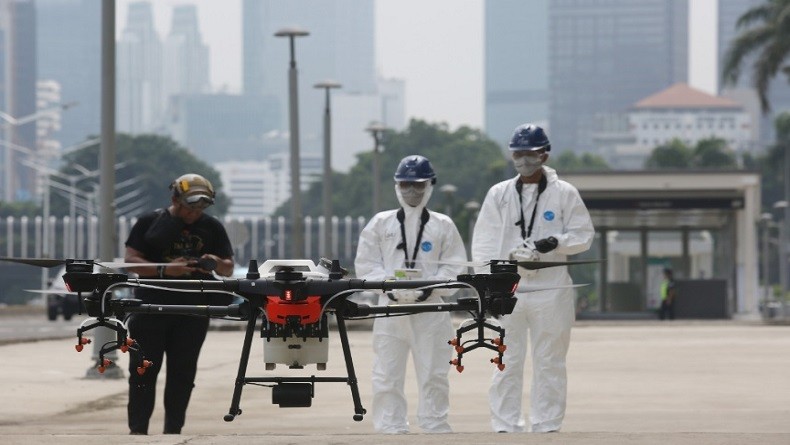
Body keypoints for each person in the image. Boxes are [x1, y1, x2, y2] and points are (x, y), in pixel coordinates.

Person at [471, 123, 595, 433]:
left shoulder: (564, 193)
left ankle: (547, 423)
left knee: (550, 359)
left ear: (544, 155)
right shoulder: (498, 194)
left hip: (550, 286)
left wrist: (556, 242)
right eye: (518, 154)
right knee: (505, 358)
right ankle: (505, 423)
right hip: (508, 288)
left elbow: (583, 235)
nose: (524, 159)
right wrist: (487, 286)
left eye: (530, 153)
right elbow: (483, 243)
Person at [355, 155, 467, 434]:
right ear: (397, 185)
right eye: (406, 184)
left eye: (418, 184)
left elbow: (455, 267)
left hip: (431, 310)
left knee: (434, 372)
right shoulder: (380, 223)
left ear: (430, 185)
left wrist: (430, 287)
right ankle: (390, 426)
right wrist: (388, 286)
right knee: (387, 373)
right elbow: (366, 265)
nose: (412, 191)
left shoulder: (443, 224)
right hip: (389, 310)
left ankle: (435, 424)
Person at [123, 173, 235, 435]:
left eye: (200, 210)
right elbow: (130, 261)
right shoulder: (149, 222)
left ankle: (173, 432)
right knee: (143, 372)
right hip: (150, 308)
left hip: (193, 311)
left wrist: (214, 262)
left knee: (182, 376)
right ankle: (137, 432)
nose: (194, 214)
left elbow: (228, 267)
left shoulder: (212, 227)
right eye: (189, 208)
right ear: (175, 200)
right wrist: (165, 270)